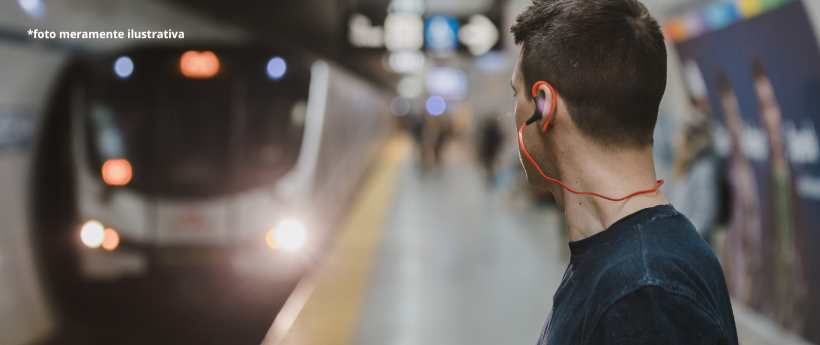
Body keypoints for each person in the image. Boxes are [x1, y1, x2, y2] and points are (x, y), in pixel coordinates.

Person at [509, 0, 737, 343]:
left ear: (544, 105)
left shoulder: (643, 294)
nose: (511, 113)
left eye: (516, 94)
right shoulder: (625, 261)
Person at [750, 57, 807, 332]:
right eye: (762, 106)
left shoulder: (801, 173)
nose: (769, 117)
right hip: (780, 307)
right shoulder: (766, 176)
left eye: (771, 104)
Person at [715, 70, 763, 309]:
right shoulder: (727, 168)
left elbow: (752, 232)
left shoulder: (748, 174)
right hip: (732, 272)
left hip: (745, 276)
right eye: (726, 115)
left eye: (735, 115)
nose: (732, 125)